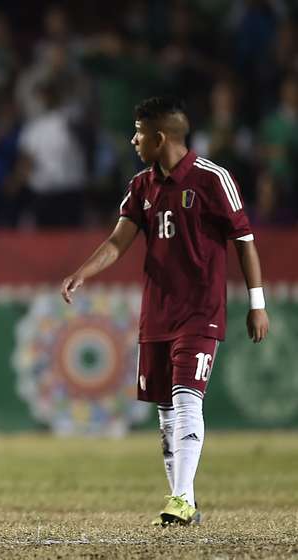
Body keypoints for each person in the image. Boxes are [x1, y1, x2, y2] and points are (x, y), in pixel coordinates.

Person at [60, 97, 269, 526]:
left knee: (187, 396)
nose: (132, 140)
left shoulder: (213, 179)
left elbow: (244, 240)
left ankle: (180, 498)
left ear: (159, 138)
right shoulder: (141, 186)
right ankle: (183, 501)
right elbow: (118, 241)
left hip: (200, 311)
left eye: (138, 133)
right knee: (165, 410)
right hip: (156, 314)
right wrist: (83, 272)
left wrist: (257, 303)